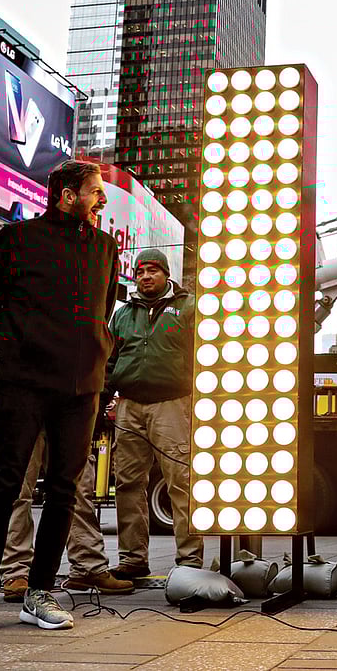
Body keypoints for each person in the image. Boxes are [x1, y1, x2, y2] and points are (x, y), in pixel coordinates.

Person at [0, 160, 119, 636]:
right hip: (22, 383)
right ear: (68, 195)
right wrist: (14, 355)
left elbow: (103, 309)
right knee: (5, 485)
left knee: (64, 490)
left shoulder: (104, 247)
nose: (100, 199)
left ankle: (39, 593)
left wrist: (96, 357)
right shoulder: (17, 239)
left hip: (81, 388)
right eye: (95, 191)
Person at [0, 318, 133, 603]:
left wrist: (90, 390)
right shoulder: (8, 292)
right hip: (21, 401)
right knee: (15, 488)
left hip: (67, 402)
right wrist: (15, 380)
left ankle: (87, 563)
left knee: (75, 488)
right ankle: (16, 569)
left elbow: (97, 343)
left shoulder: (70, 293)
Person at [101, 248, 203, 580]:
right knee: (128, 483)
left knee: (181, 481)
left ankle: (189, 560)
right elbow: (109, 360)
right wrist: (104, 397)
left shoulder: (188, 308)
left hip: (173, 405)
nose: (146, 277)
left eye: (153, 271)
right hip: (129, 406)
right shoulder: (122, 315)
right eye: (140, 272)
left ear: (166, 274)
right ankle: (133, 559)